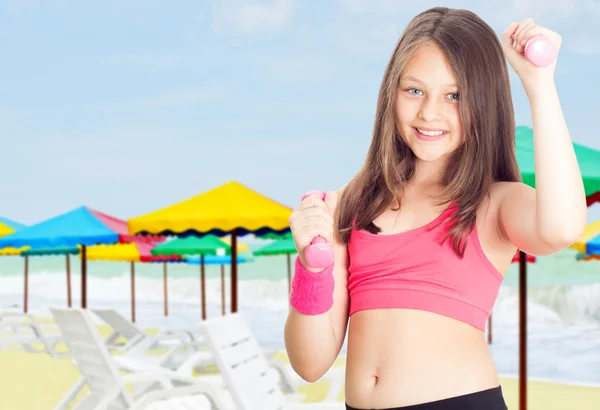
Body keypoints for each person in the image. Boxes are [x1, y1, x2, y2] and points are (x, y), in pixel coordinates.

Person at [284, 6, 587, 410]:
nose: (429, 112)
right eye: (414, 90)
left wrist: (538, 84)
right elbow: (309, 363)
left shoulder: (493, 203)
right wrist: (312, 267)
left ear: (484, 102)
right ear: (391, 92)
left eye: (454, 95)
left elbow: (563, 228)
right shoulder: (353, 204)